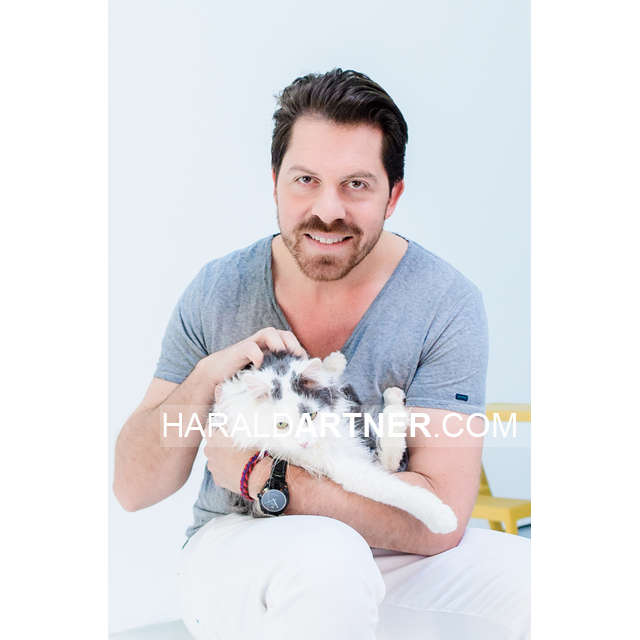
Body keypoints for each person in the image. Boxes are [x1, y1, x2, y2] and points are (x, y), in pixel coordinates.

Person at [114, 68, 530, 640]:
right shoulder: (218, 290)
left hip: (387, 550)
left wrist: (268, 477)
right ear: (276, 183)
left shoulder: (443, 301)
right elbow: (133, 489)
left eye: (356, 184)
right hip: (237, 547)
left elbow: (440, 521)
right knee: (327, 560)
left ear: (394, 195)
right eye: (306, 179)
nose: (328, 210)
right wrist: (206, 378)